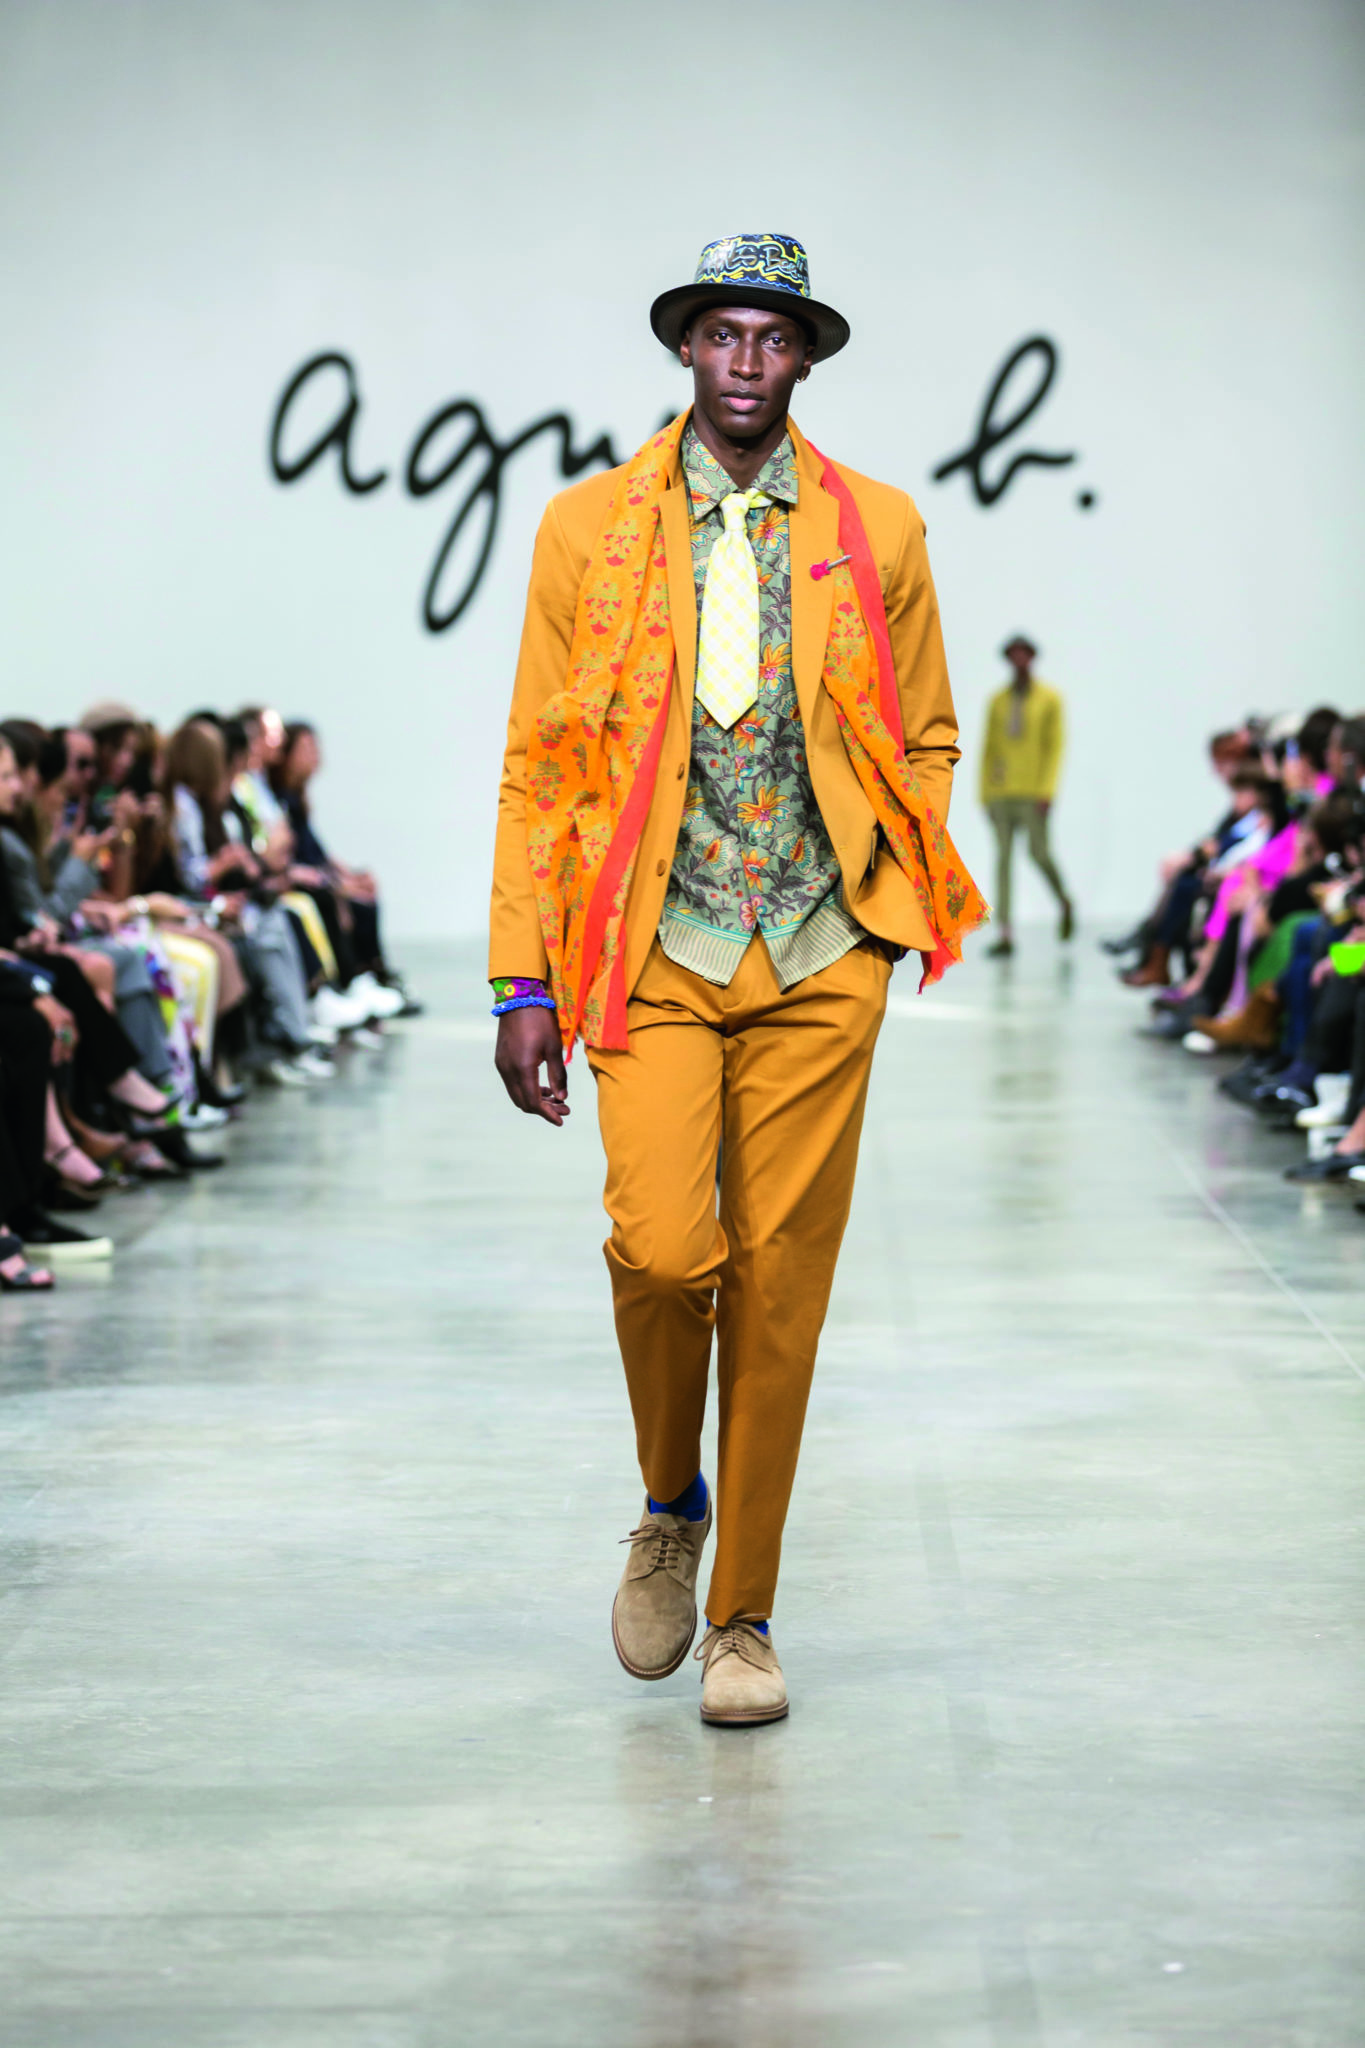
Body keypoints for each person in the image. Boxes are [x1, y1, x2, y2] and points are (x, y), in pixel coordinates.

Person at [489, 231, 985, 1725]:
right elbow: (536, 764)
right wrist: (520, 980)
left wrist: (889, 883)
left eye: (775, 336)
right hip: (650, 945)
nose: (747, 361)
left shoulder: (878, 526)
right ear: (686, 349)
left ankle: (744, 1619)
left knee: (779, 1291)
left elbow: (929, 730)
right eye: (723, 333)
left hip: (822, 950)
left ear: (807, 357)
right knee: (660, 1252)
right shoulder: (587, 526)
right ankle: (669, 1498)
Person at [979, 635, 1072, 955]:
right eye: (1013, 655)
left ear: (1032, 657)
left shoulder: (1049, 699)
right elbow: (989, 748)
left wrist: (1047, 790)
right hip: (1003, 792)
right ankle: (1005, 932)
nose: (1019, 660)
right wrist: (985, 793)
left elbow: (1055, 746)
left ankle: (1064, 901)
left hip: (1033, 792)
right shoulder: (997, 701)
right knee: (1003, 860)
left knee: (1039, 853)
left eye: (1024, 654)